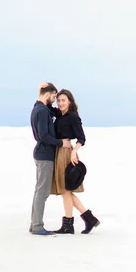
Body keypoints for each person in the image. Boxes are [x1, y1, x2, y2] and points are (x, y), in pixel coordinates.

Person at [50, 88, 100, 234]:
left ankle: (69, 224)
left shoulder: (73, 117)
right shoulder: (59, 115)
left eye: (63, 100)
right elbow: (44, 106)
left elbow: (82, 138)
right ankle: (88, 219)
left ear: (70, 101)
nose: (60, 103)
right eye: (58, 100)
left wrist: (74, 151)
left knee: (66, 190)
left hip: (66, 153)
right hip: (59, 152)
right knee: (66, 191)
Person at [29, 83, 71, 235]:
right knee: (42, 192)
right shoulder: (42, 112)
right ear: (48, 95)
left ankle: (34, 224)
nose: (55, 101)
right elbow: (44, 136)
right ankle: (37, 226)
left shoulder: (40, 108)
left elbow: (55, 112)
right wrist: (62, 143)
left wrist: (40, 92)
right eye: (54, 97)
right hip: (45, 155)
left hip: (42, 154)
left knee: (38, 190)